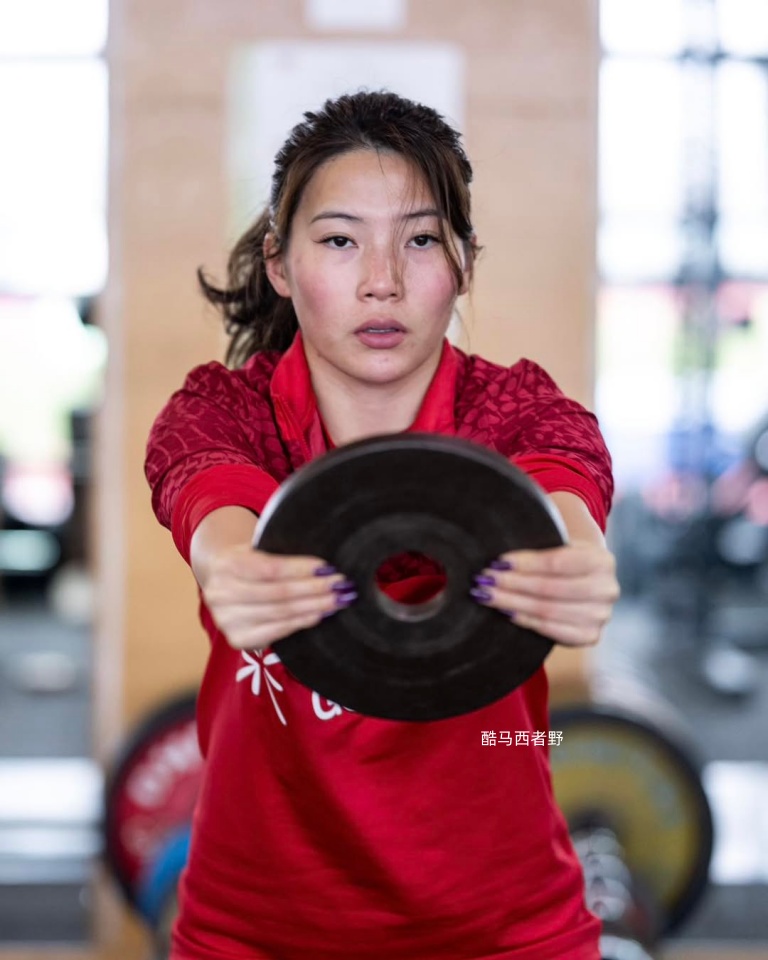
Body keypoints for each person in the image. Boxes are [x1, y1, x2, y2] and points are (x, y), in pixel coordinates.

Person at [145, 90, 619, 960]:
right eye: (338, 239)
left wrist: (575, 556)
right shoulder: (223, 411)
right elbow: (209, 495)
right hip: (253, 933)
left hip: (511, 931)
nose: (382, 280)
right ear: (280, 264)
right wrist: (234, 565)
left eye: (421, 239)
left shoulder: (518, 409)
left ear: (465, 262)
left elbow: (563, 484)